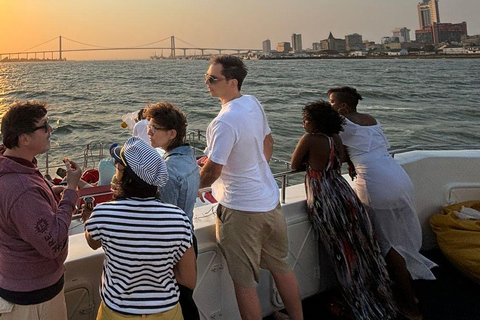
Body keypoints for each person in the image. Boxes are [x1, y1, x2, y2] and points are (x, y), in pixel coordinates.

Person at [198, 56, 303, 320]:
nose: (207, 82)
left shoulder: (223, 122)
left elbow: (212, 172)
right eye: (206, 77)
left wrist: (191, 187)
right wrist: (254, 169)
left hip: (241, 210)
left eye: (213, 79)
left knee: (244, 285)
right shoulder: (252, 103)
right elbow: (268, 141)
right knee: (281, 267)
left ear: (232, 82)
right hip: (269, 202)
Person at [328, 87, 435, 320]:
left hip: (376, 184)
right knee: (401, 237)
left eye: (333, 102)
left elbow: (340, 155)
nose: (331, 107)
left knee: (388, 246)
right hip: (398, 177)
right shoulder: (370, 120)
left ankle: (410, 305)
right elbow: (367, 147)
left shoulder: (340, 126)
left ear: (344, 107)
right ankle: (402, 289)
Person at [290, 101, 396, 320]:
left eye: (306, 119)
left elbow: (294, 165)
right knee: (358, 246)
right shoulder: (335, 138)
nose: (303, 123)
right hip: (342, 191)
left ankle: (355, 303)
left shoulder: (309, 139)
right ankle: (374, 296)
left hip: (324, 196)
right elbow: (341, 159)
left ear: (315, 122)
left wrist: (308, 165)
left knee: (341, 252)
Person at [0, 101, 86, 320]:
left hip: (19, 285)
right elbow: (54, 244)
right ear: (25, 138)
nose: (50, 130)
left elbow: (26, 212)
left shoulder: (8, 165)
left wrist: (50, 194)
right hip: (32, 300)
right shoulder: (22, 189)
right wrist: (71, 189)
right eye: (44, 126)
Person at [83, 137, 196, 320]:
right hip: (166, 312)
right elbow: (188, 280)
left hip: (116, 313)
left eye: (118, 165)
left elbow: (93, 242)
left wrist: (89, 219)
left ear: (123, 174)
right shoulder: (178, 218)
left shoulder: (103, 213)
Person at [145, 101, 200, 320]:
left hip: (173, 249)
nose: (148, 133)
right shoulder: (189, 158)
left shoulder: (167, 169)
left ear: (171, 134)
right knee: (184, 300)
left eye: (153, 129)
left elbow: (163, 218)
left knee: (177, 305)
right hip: (188, 238)